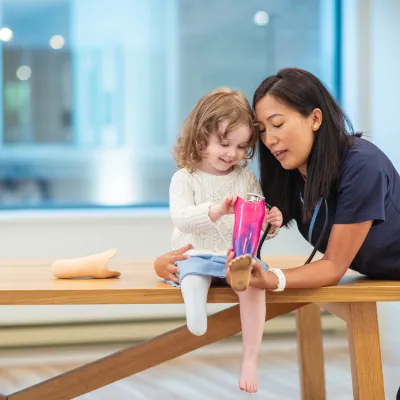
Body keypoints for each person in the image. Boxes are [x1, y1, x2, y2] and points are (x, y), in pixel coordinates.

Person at [166, 88, 283, 393]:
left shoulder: (244, 179)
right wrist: (215, 211)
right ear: (200, 135)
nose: (232, 153)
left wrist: (269, 225)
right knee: (192, 273)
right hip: (197, 254)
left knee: (255, 287)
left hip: (236, 259)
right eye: (224, 143)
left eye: (242, 146)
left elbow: (252, 227)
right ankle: (196, 313)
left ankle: (250, 358)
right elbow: (181, 218)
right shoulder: (185, 178)